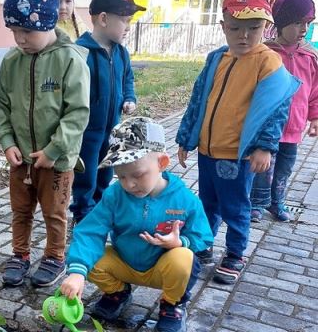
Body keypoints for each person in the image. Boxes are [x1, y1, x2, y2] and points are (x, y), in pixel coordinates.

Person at [176, 0, 300, 285]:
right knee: (207, 202)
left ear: (267, 27)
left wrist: (266, 147)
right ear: (223, 25)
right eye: (235, 27)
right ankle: (203, 244)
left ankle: (234, 253)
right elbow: (198, 98)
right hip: (207, 149)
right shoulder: (217, 57)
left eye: (254, 27)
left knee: (236, 206)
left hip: (237, 155)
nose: (244, 35)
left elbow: (276, 109)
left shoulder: (268, 62)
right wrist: (185, 137)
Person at [60, 117, 213, 332]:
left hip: (162, 268)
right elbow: (90, 231)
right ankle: (118, 292)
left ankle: (172, 305)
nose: (129, 184)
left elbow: (203, 236)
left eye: (138, 175)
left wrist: (180, 242)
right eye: (120, 176)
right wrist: (76, 272)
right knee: (87, 258)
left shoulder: (185, 199)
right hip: (125, 262)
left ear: (162, 163)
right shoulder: (115, 195)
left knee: (184, 258)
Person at [0, 0, 90, 287]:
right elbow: (0, 106)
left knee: (54, 213)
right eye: (14, 31)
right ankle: (19, 255)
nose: (20, 39)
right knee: (20, 212)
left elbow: (77, 112)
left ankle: (55, 257)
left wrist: (54, 150)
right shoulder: (11, 61)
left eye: (26, 32)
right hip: (21, 160)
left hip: (57, 161)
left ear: (48, 23)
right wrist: (7, 143)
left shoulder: (70, 60)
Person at [70, 0, 140, 226]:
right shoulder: (80, 52)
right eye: (125, 20)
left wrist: (129, 98)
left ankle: (99, 209)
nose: (129, 27)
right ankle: (81, 213)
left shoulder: (121, 52)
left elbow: (127, 78)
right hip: (87, 131)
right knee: (86, 174)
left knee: (106, 170)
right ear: (102, 19)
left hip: (112, 129)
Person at [251, 0, 318, 223]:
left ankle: (277, 201)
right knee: (262, 167)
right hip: (267, 127)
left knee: (284, 169)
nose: (305, 29)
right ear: (281, 23)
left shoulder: (308, 57)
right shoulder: (266, 54)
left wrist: (314, 117)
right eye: (299, 23)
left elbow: (314, 91)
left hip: (293, 129)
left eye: (308, 23)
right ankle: (256, 202)